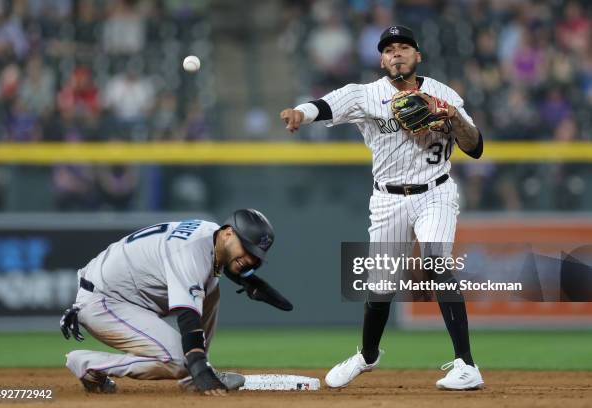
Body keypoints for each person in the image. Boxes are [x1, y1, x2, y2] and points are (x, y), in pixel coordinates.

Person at [280, 26, 484, 390]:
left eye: (404, 47)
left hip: (435, 193)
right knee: (380, 288)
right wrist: (300, 113)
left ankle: (467, 365)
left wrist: (452, 116)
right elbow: (326, 105)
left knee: (437, 263)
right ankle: (368, 356)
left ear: (417, 55)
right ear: (381, 59)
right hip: (387, 199)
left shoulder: (442, 93)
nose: (396, 54)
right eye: (389, 49)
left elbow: (476, 146)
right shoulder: (365, 94)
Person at [60, 209, 292, 396]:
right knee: (178, 360)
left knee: (211, 288)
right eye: (248, 249)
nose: (250, 259)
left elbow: (208, 264)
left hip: (127, 298)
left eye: (256, 257)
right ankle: (89, 364)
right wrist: (197, 363)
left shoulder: (211, 233)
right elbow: (187, 315)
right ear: (229, 233)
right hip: (105, 300)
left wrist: (246, 278)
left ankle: (194, 371)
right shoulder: (190, 251)